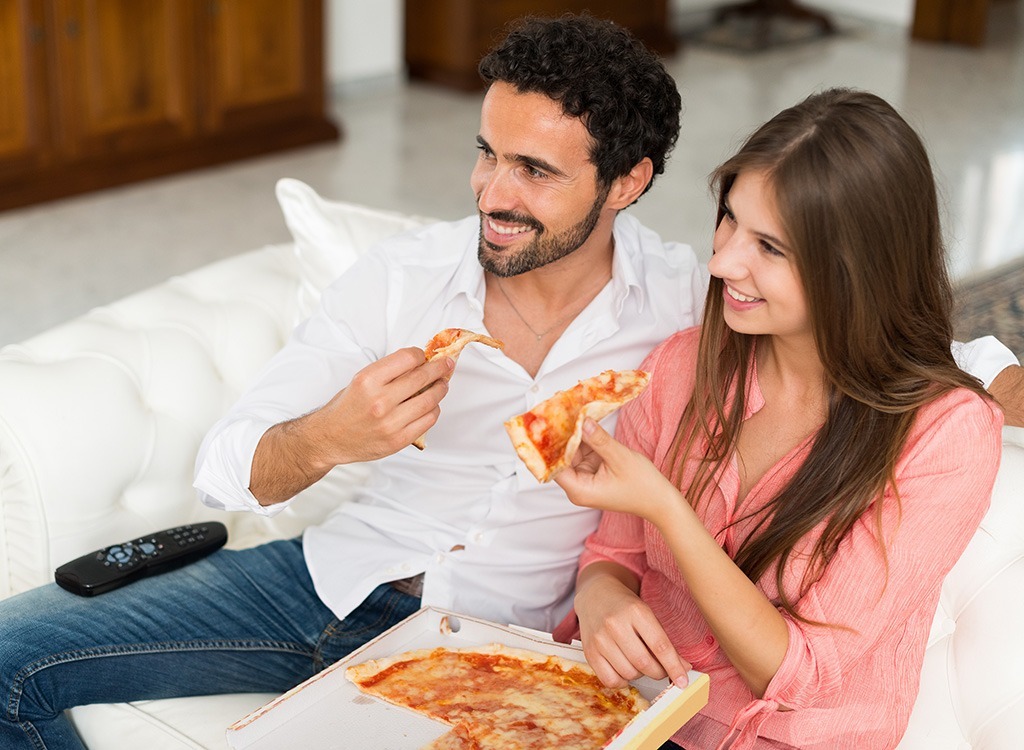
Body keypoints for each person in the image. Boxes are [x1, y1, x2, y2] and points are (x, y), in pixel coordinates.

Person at [0, 16, 1016, 750]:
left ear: (627, 183)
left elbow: (897, 357)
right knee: (10, 656)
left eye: (534, 171)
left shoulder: (681, 310)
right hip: (332, 582)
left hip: (508, 641)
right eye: (485, 154)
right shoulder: (409, 281)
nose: (490, 192)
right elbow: (233, 468)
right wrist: (329, 438)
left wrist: (998, 376)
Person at [551, 88, 1004, 750]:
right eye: (729, 220)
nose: (723, 261)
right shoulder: (679, 367)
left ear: (856, 270)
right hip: (635, 722)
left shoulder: (947, 436)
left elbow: (797, 674)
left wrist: (669, 510)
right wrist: (602, 599)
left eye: (770, 246)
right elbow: (612, 554)